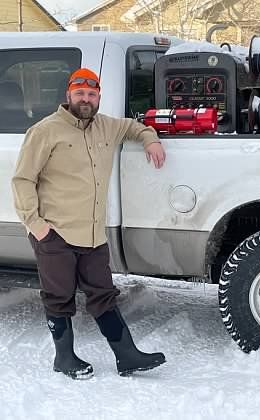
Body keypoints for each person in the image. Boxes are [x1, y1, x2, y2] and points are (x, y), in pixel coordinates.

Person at [11, 68, 166, 380]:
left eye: (91, 94)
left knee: (103, 293)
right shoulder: (45, 131)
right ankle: (64, 358)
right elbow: (22, 180)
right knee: (59, 296)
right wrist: (37, 225)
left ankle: (126, 355)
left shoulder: (107, 126)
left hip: (94, 234)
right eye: (80, 93)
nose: (85, 99)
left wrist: (151, 140)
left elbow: (137, 128)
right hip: (55, 233)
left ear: (98, 97)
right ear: (68, 95)